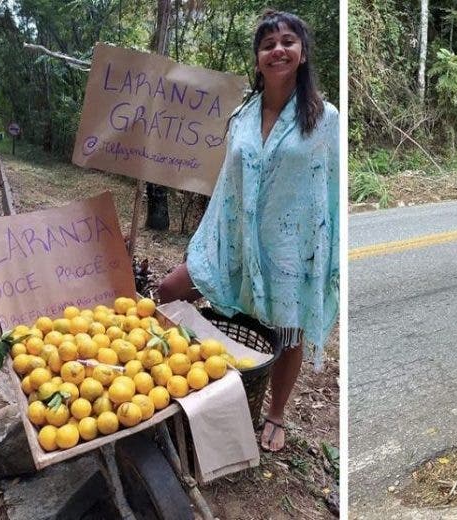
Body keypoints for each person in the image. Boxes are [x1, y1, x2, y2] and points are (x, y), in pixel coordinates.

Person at [157, 10, 338, 453]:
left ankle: (275, 413)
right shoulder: (241, 115)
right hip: (233, 235)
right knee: (169, 290)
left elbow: (327, 191)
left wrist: (321, 253)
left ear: (302, 52)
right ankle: (187, 373)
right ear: (257, 59)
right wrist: (208, 238)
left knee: (287, 330)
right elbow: (226, 185)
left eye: (287, 41)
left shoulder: (325, 118)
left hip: (290, 245)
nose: (278, 49)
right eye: (268, 43)